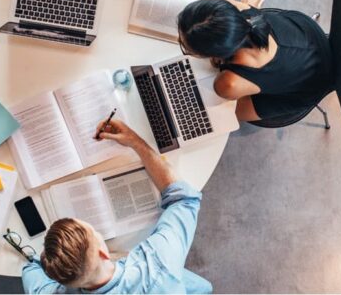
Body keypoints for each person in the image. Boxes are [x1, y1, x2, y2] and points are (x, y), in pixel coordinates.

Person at [21, 119, 211, 294]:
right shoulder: (158, 261)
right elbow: (184, 199)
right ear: (104, 253)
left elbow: (31, 270)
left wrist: (55, 261)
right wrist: (135, 142)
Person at [177, 0, 335, 122]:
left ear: (215, 55)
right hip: (309, 36)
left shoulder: (228, 83)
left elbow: (228, 97)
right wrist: (242, 6)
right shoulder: (242, 10)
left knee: (224, 115)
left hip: (309, 88)